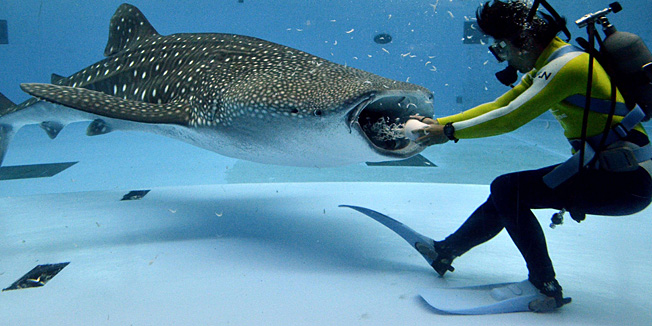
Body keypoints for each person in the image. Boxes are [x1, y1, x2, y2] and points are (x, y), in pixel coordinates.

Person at [410, 0, 652, 312]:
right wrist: (442, 124)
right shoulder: (554, 60)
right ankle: (445, 252)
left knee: (508, 189)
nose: (502, 57)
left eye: (500, 47)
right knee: (509, 192)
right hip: (619, 172)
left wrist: (448, 134)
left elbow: (510, 117)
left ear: (523, 41)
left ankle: (545, 285)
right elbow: (500, 104)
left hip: (625, 181)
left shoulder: (566, 67)